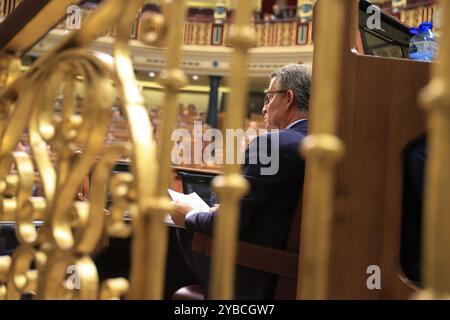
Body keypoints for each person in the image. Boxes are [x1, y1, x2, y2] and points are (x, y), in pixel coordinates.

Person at [165, 64, 311, 299]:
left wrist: (190, 215)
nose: (263, 108)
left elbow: (229, 225)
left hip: (247, 273)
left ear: (289, 98)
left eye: (269, 97)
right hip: (290, 274)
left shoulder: (273, 145)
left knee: (168, 234)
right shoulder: (321, 144)